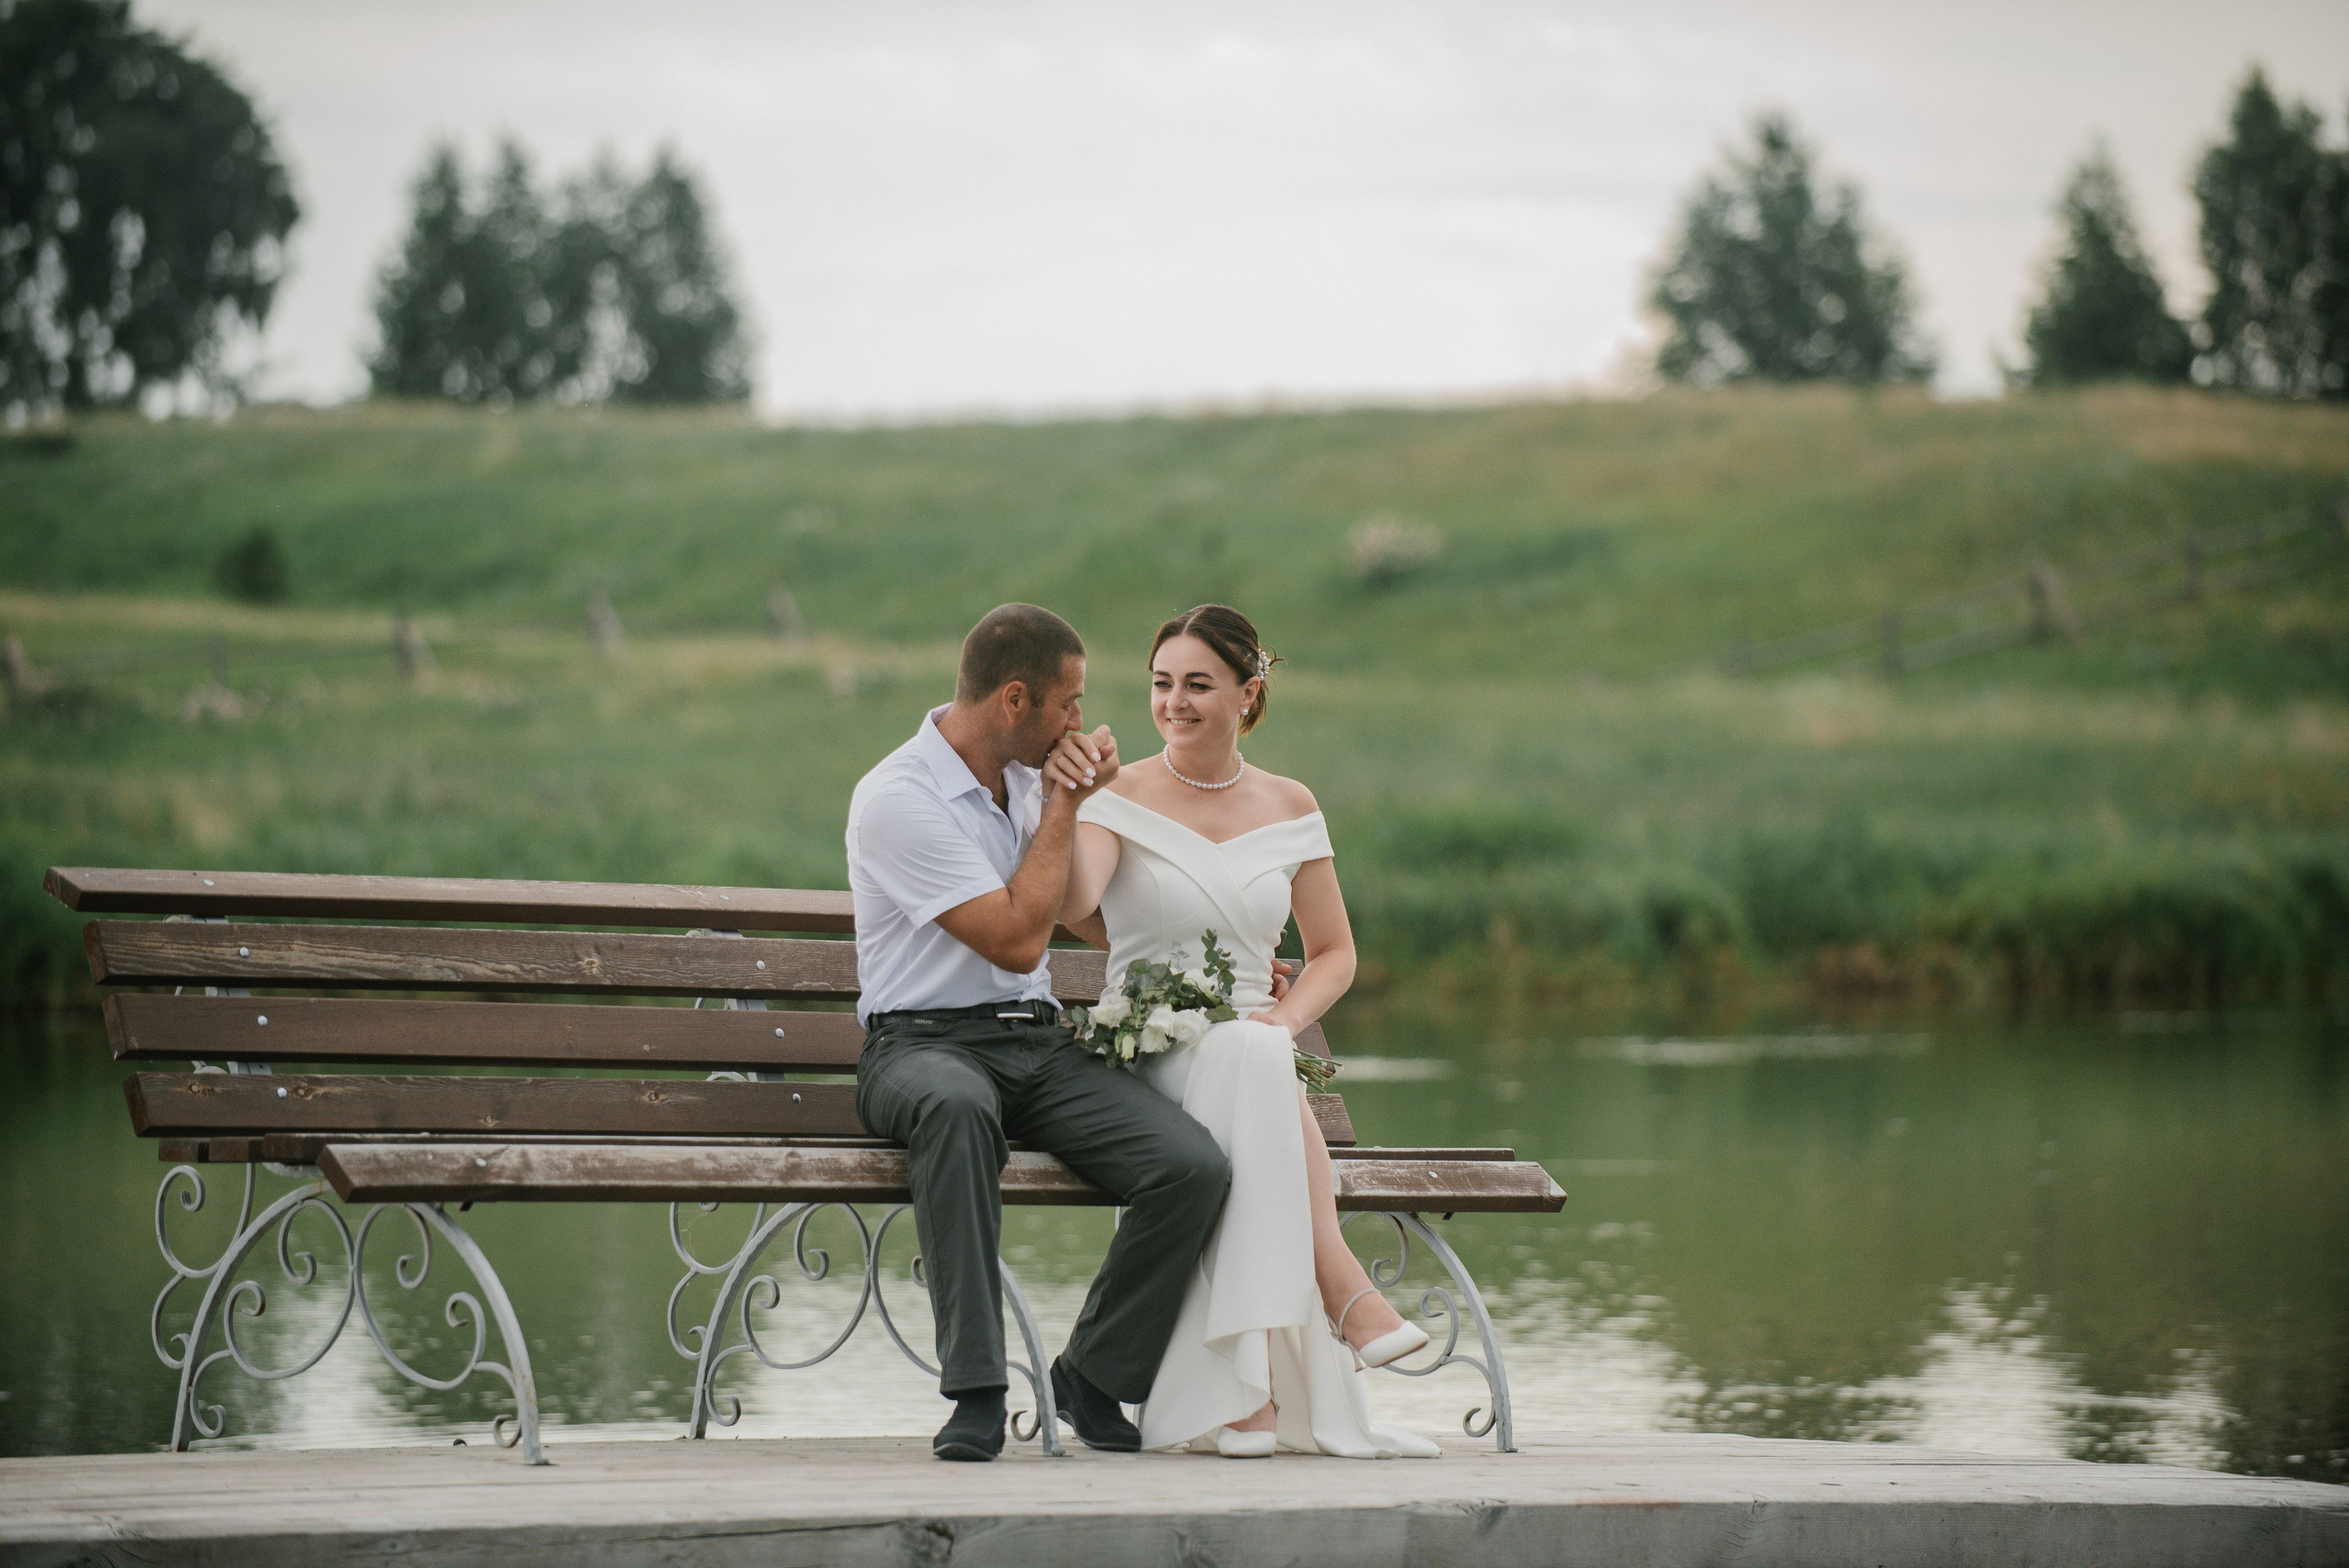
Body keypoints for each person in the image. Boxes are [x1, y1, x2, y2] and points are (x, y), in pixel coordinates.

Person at [846, 603, 1231, 1462]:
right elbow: (1019, 937)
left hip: (1037, 1043)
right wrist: (1064, 803)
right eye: (1069, 702)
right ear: (1014, 700)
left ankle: (1090, 1374)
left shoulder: (1027, 781)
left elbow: (1091, 919)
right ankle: (977, 1391)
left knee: (1190, 1167)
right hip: (920, 1048)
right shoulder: (898, 799)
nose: (1080, 721)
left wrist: (1235, 954)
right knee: (956, 1109)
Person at [1059, 604, 1441, 1459]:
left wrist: (1285, 1017)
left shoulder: (1291, 803)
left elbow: (1335, 953)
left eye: (1198, 684)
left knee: (1252, 1052)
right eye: (1162, 683)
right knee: (1250, 1061)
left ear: (1248, 693)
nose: (1174, 702)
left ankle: (1249, 1400)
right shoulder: (1118, 796)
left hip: (1253, 1048)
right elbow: (1076, 902)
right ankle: (1344, 1289)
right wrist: (1073, 802)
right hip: (1150, 1051)